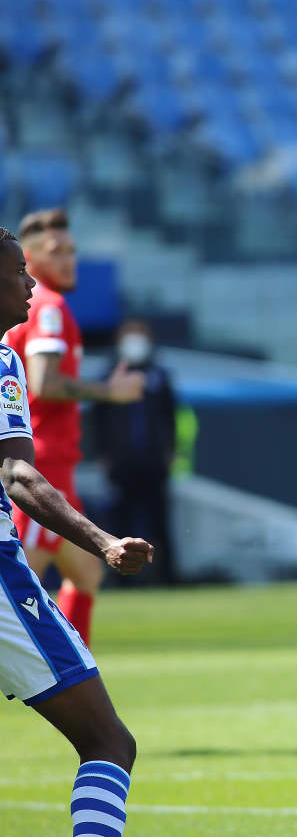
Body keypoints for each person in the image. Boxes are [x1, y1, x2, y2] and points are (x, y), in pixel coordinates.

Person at [0, 225, 154, 837]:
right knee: (109, 742)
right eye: (17, 270)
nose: (31, 279)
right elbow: (16, 471)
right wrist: (104, 540)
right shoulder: (19, 348)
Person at [2, 208, 144, 644]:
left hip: (47, 463)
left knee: (86, 574)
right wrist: (111, 392)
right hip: (36, 467)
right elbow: (45, 382)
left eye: (71, 250)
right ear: (29, 258)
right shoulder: (49, 308)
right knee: (20, 580)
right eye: (54, 251)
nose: (67, 260)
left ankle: (75, 671)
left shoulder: (34, 307)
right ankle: (58, 673)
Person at [89, 319, 178, 584]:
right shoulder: (107, 377)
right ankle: (123, 578)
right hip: (122, 462)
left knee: (159, 521)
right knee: (121, 521)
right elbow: (99, 421)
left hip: (153, 461)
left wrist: (169, 451)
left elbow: (170, 417)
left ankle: (167, 577)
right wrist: (103, 454)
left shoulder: (159, 376)